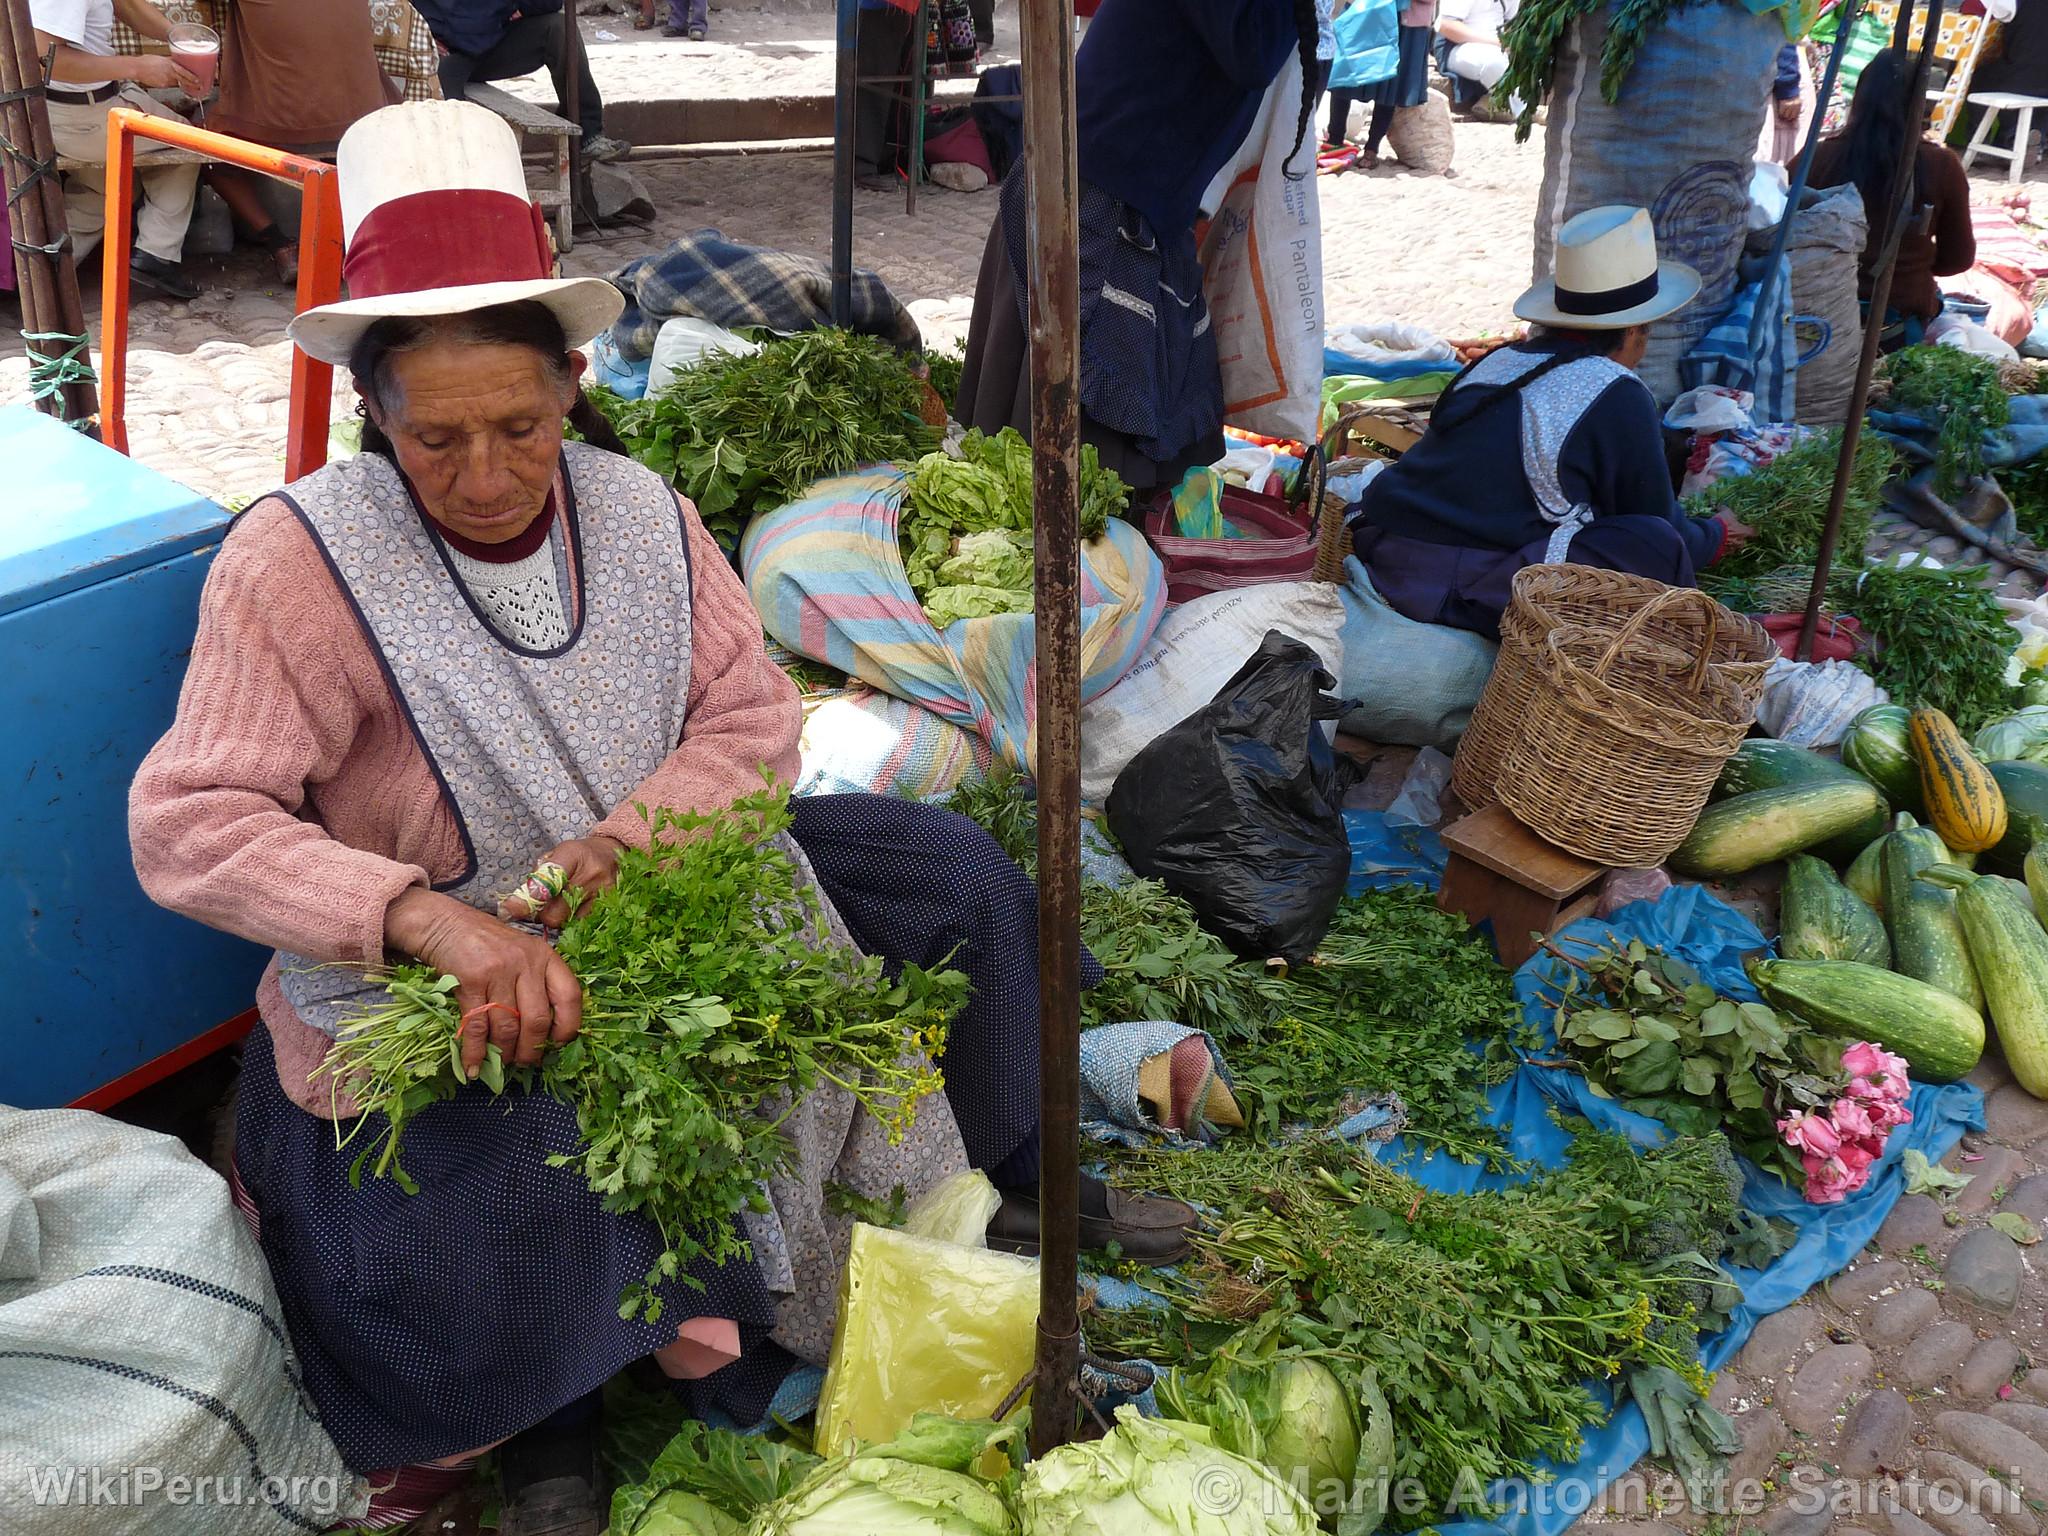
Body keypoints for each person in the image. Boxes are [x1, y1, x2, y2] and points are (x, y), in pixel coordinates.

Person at [129, 100, 1189, 1535]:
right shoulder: (298, 562)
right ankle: (551, 1426)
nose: (488, 476)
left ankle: (1005, 1181)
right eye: (436, 439)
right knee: (526, 1149)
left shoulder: (637, 512)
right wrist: (424, 919)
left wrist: (622, 850)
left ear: (572, 381)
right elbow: (191, 820)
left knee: (959, 883)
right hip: (427, 963)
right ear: (376, 414)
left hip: (672, 887)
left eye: (520, 424)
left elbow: (751, 724)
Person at [955, 0, 1316, 494]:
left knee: (1106, 449)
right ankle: (1072, 554)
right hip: (1095, 197)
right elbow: (1251, 51)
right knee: (1073, 450)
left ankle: (1104, 552)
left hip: (1131, 194)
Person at [1350, 205, 1752, 640]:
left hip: (1384, 542)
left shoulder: (1497, 362)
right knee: (1651, 543)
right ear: (1635, 330)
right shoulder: (1615, 389)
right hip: (1453, 582)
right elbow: (1652, 519)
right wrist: (1714, 535)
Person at [202, 0, 402, 282]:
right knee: (347, 152)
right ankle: (351, 240)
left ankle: (280, 244)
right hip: (362, 119)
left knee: (202, 151)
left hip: (282, 123)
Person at [29, 0, 202, 300]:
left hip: (60, 110)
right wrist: (138, 66)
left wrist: (177, 33)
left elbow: (126, 4)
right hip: (78, 115)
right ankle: (156, 254)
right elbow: (46, 56)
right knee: (192, 144)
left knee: (103, 190)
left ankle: (41, 273)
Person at [1810, 47, 1976, 344]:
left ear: (1859, 99)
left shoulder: (1819, 155)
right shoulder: (1941, 164)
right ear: (1920, 104)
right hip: (1896, 323)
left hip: (1819, 320)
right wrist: (1912, 262)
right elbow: (1959, 259)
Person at [414, 0, 633, 162]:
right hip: (444, 51)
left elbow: (549, 3)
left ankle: (588, 134)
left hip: (494, 42)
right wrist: (424, 35)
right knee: (444, 121)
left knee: (559, 29)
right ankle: (452, 185)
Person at [852, 0, 918, 190]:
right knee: (874, 85)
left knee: (904, 85)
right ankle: (862, 164)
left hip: (910, 9)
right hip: (881, 7)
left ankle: (889, 156)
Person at [1361, 0, 1433, 165]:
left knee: (1391, 88)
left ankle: (1372, 148)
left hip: (1409, 23)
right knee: (1346, 80)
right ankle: (1335, 139)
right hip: (1372, 15)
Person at [1434, 0, 1514, 112]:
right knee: (1493, 64)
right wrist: (1497, 42)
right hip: (1457, 46)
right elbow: (1446, 26)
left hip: (1498, 46)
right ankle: (1527, 111)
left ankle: (1496, 104)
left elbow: (1512, 23)